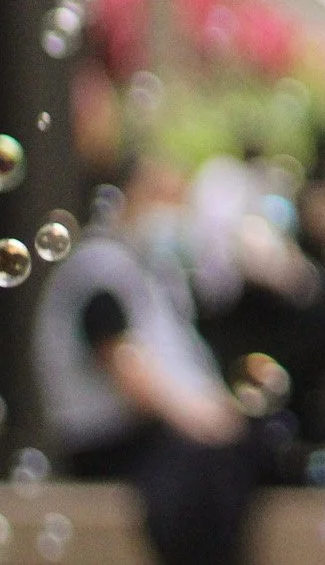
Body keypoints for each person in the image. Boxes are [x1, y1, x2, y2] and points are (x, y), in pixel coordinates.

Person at [32, 156, 258, 565]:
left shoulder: (145, 270)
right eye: (162, 196)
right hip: (110, 440)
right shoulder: (100, 267)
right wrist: (200, 418)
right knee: (206, 466)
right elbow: (123, 364)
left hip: (145, 439)